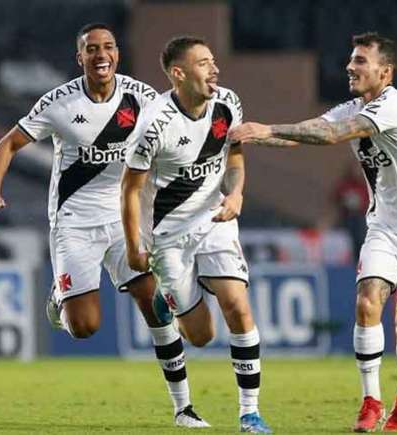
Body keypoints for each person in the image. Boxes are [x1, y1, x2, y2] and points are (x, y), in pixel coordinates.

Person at [0, 23, 210, 428]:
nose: (101, 55)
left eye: (108, 47)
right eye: (92, 49)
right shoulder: (59, 103)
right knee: (84, 327)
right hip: (74, 223)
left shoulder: (143, 98)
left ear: (117, 54)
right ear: (79, 58)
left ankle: (184, 408)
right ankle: (59, 301)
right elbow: (8, 143)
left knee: (155, 303)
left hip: (123, 219)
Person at [229, 32, 397, 433]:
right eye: (351, 60)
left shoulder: (394, 106)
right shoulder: (354, 106)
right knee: (368, 300)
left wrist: (265, 130)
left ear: (385, 72)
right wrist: (255, 135)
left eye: (360, 61)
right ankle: (371, 401)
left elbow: (332, 135)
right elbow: (309, 130)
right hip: (385, 225)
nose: (350, 67)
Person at [121, 36, 272, 433]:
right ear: (179, 73)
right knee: (201, 335)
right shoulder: (153, 124)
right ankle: (168, 297)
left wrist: (237, 193)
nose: (215, 69)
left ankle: (249, 413)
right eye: (204, 63)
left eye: (213, 61)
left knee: (237, 305)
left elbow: (234, 157)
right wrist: (134, 243)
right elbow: (130, 189)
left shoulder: (228, 103)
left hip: (214, 221)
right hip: (167, 237)